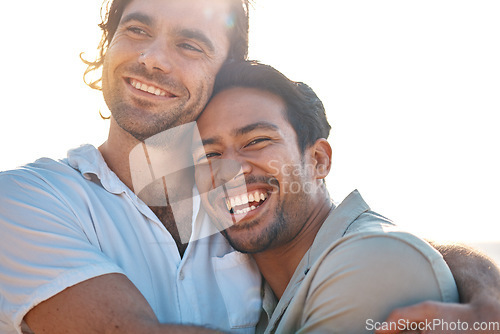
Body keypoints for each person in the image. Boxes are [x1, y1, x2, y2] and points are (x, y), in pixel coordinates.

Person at [0, 0, 498, 334]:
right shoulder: (26, 200)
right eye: (136, 29)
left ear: (221, 77)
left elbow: (360, 247)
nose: (152, 59)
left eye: (190, 44)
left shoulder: (235, 203)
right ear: (108, 47)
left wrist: (483, 289)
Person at [193, 60, 461, 333]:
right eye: (209, 155)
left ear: (318, 160)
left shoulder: (373, 260)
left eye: (256, 141)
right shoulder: (255, 294)